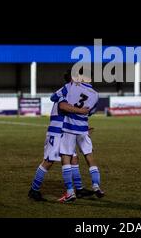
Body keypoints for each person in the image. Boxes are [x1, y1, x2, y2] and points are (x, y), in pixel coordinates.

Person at [28, 71, 94, 202]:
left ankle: (79, 189)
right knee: (49, 161)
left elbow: (71, 113)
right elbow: (63, 106)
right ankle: (34, 190)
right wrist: (81, 111)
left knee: (74, 159)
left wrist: (83, 128)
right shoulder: (66, 91)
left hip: (67, 131)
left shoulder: (73, 92)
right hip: (57, 131)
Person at [57, 70, 104, 203]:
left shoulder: (73, 86)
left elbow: (58, 100)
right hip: (83, 129)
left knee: (66, 158)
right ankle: (96, 185)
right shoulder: (96, 94)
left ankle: (70, 192)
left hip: (69, 128)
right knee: (90, 157)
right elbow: (90, 112)